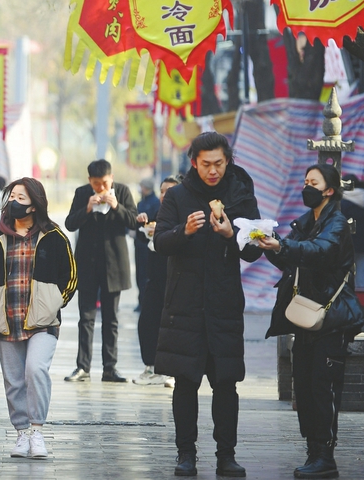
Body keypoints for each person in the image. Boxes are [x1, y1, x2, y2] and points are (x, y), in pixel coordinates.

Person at [153, 132, 262, 478]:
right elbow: (160, 243)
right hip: (184, 305)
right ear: (193, 163)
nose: (212, 171)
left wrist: (233, 235)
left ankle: (226, 455)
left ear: (227, 161)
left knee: (225, 383)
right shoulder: (178, 196)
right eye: (205, 165)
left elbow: (256, 247)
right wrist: (183, 231)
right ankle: (186, 454)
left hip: (224, 303)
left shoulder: (240, 194)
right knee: (186, 383)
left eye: (218, 164)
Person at [259, 163, 364, 480]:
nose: (307, 186)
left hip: (330, 319)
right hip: (305, 318)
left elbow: (320, 251)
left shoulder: (336, 224)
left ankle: (325, 456)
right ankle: (312, 451)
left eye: (313, 182)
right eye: (305, 181)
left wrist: (284, 245)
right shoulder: (306, 222)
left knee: (322, 388)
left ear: (329, 190)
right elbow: (290, 254)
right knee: (303, 387)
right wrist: (268, 243)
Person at [0, 177, 77, 459]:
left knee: (35, 370)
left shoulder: (54, 237)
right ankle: (21, 433)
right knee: (14, 380)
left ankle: (37, 431)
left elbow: (70, 277)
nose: (14, 202)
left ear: (34, 205)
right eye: (12, 197)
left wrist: (54, 304)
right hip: (6, 321)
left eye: (21, 198)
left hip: (42, 323)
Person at [63, 159, 138, 383]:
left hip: (114, 265)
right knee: (85, 318)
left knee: (111, 319)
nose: (100, 188)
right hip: (87, 264)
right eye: (96, 183)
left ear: (111, 178)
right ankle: (82, 367)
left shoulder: (122, 192)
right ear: (89, 181)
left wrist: (116, 206)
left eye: (104, 183)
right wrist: (86, 208)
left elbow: (134, 222)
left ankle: (110, 368)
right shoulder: (82, 193)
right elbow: (69, 223)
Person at [133, 176, 179, 386]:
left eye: (169, 191)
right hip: (153, 277)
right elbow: (143, 239)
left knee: (170, 324)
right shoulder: (156, 214)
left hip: (175, 278)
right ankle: (150, 366)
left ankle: (171, 371)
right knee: (147, 321)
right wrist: (142, 225)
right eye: (162, 191)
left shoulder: (184, 216)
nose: (164, 195)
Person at [339, 173, 364, 286]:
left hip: (346, 246)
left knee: (344, 276)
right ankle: (362, 300)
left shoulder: (343, 202)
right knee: (361, 276)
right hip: (363, 244)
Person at [134, 177, 160, 312]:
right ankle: (140, 300)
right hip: (139, 243)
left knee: (147, 274)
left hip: (151, 244)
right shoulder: (140, 203)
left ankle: (145, 301)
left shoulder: (156, 203)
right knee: (139, 274)